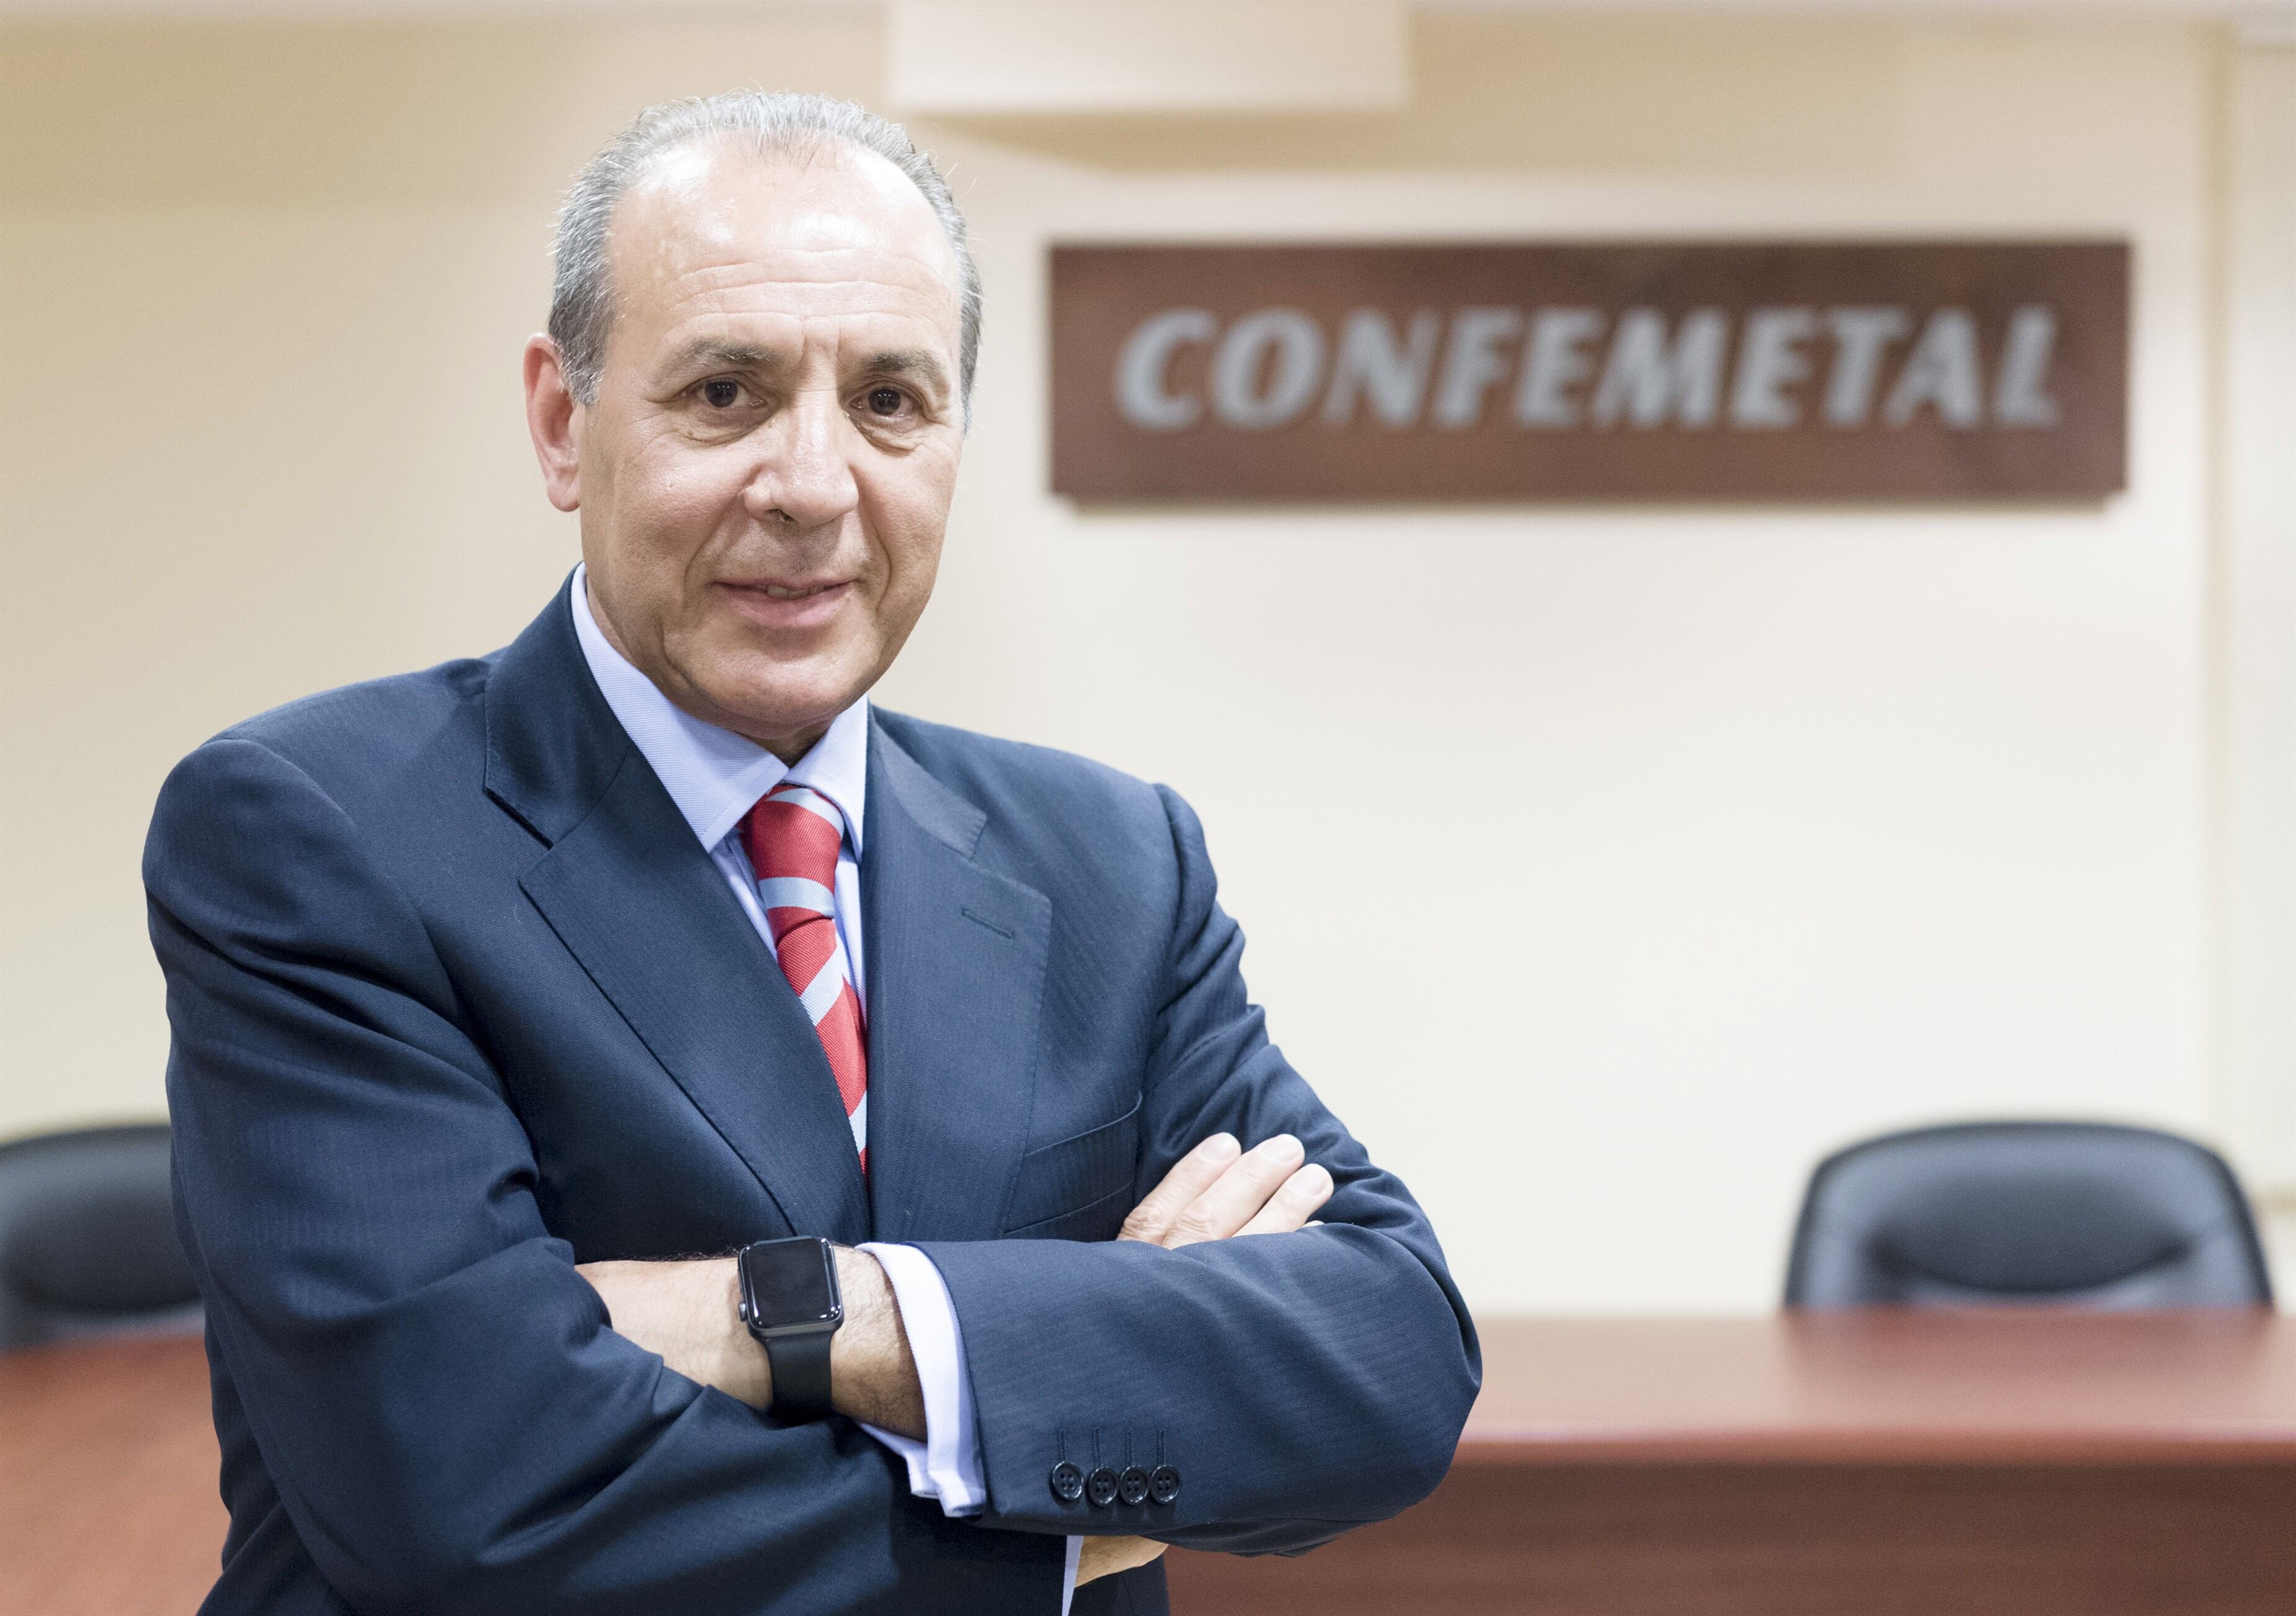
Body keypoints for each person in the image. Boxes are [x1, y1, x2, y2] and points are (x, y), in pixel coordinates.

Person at [145, 91, 1478, 1616]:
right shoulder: (319, 830)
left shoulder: (1109, 860)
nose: (812, 485)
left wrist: (814, 1314)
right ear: (564, 424)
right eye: (725, 391)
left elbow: (1383, 1358)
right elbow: (458, 1486)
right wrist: (1061, 1487)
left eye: (889, 401)